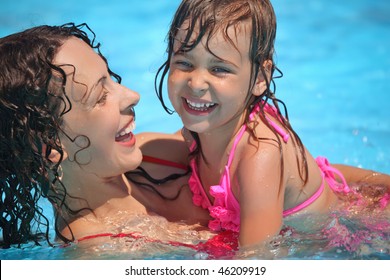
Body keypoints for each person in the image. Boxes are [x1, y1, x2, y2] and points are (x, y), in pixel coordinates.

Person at [155, 0, 390, 247]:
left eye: (219, 69)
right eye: (184, 63)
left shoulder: (259, 155)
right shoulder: (199, 129)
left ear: (260, 77)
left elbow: (258, 261)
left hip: (353, 230)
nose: (196, 83)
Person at [0, 22, 213, 250]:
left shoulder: (150, 153)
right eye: (100, 96)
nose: (133, 95)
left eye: (110, 78)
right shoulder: (103, 254)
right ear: (50, 145)